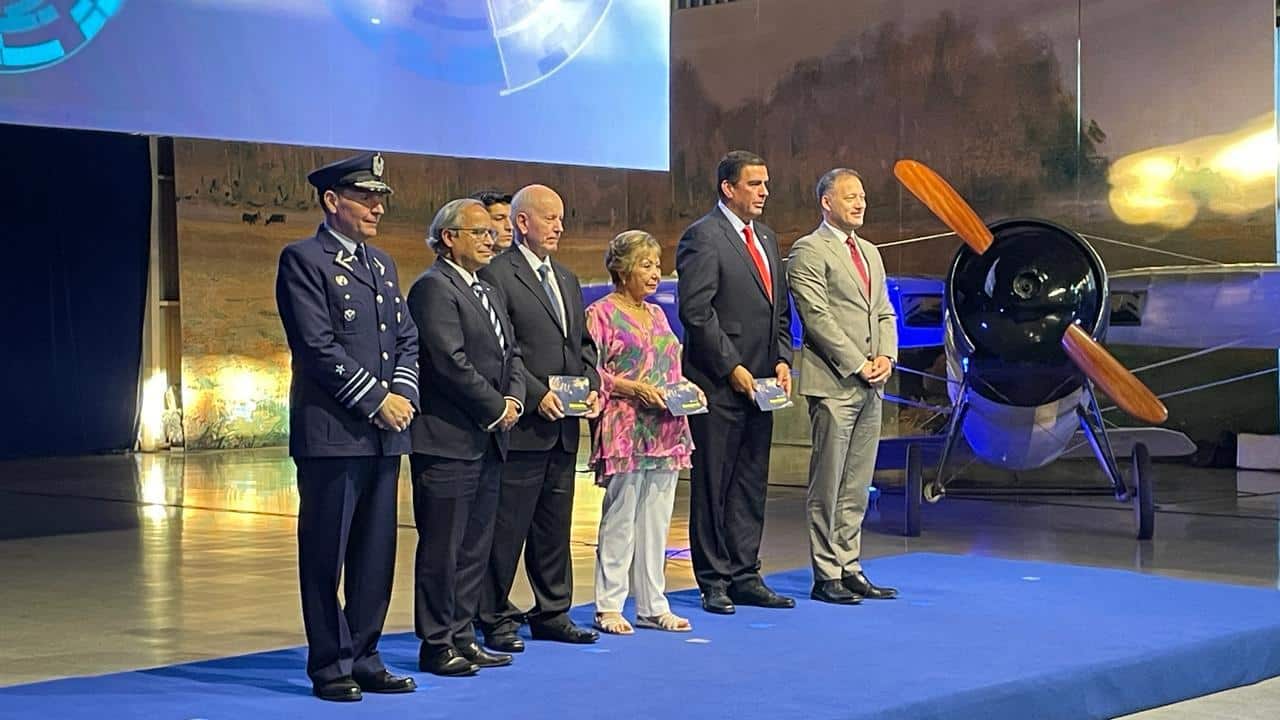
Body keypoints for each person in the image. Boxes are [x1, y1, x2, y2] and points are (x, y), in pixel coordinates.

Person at [274, 152, 419, 702]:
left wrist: (401, 395)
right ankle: (331, 664)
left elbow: (405, 338)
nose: (376, 207)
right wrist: (376, 399)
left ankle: (366, 654)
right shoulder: (303, 260)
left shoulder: (381, 264)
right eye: (366, 197)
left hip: (385, 434)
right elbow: (316, 347)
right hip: (333, 434)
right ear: (333, 202)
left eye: (380, 198)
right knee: (325, 554)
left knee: (375, 554)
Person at [477, 184, 601, 651]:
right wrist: (534, 394)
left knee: (555, 526)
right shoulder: (497, 273)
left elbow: (582, 346)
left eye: (562, 218)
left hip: (565, 427)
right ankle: (493, 614)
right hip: (525, 424)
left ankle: (552, 610)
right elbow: (502, 351)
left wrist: (588, 386)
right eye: (549, 218)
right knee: (507, 528)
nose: (559, 226)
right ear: (521, 223)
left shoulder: (567, 278)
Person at [405, 198, 526, 676]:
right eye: (479, 232)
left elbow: (511, 352)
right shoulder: (434, 288)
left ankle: (462, 635)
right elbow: (448, 362)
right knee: (443, 547)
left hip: (490, 437)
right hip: (448, 439)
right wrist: (495, 407)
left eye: (491, 232)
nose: (491, 240)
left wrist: (513, 400)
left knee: (476, 545)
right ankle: (435, 643)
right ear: (449, 238)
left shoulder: (486, 287)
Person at [676, 150, 795, 615]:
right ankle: (714, 579)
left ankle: (745, 573)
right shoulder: (702, 237)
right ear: (728, 188)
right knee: (715, 483)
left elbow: (778, 310)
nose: (764, 192)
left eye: (766, 184)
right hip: (720, 385)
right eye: (755, 184)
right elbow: (697, 313)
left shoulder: (766, 237)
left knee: (750, 482)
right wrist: (732, 368)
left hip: (764, 384)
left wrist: (783, 358)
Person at [786, 168, 899, 604]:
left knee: (857, 483)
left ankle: (850, 565)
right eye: (850, 196)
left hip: (873, 384)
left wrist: (886, 357)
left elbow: (884, 311)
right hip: (835, 383)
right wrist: (858, 364)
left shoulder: (870, 252)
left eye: (863, 196)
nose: (859, 203)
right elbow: (817, 318)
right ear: (826, 203)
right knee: (829, 482)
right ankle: (825, 572)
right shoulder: (808, 251)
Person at [586, 231, 698, 635]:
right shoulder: (600, 313)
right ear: (622, 269)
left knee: (657, 518)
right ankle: (609, 605)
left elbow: (671, 364)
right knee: (621, 515)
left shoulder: (657, 314)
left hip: (665, 426)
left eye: (657, 265)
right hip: (625, 424)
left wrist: (687, 390)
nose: (655, 274)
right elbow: (591, 371)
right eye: (646, 265)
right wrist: (632, 389)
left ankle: (653, 603)